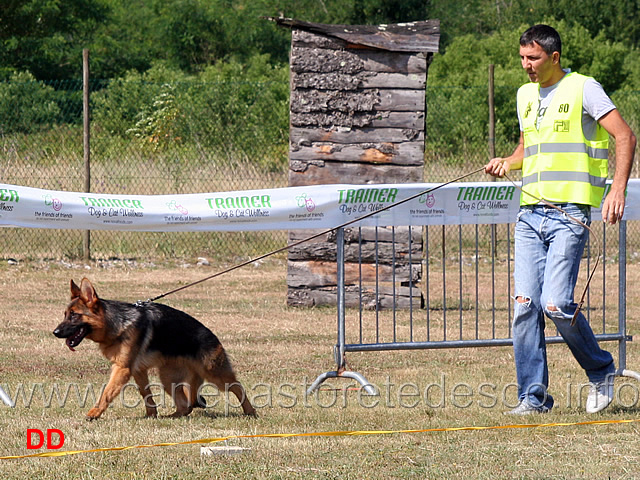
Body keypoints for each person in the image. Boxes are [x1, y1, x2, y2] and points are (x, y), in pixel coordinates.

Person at [485, 24, 636, 414]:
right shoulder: (523, 95)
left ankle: (601, 369)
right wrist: (508, 161)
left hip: (569, 214)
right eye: (521, 58)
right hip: (529, 214)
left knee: (556, 304)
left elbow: (624, 136)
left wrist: (616, 190)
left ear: (554, 57)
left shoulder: (584, 87)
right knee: (524, 306)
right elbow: (526, 146)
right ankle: (533, 398)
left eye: (532, 58)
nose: (525, 66)